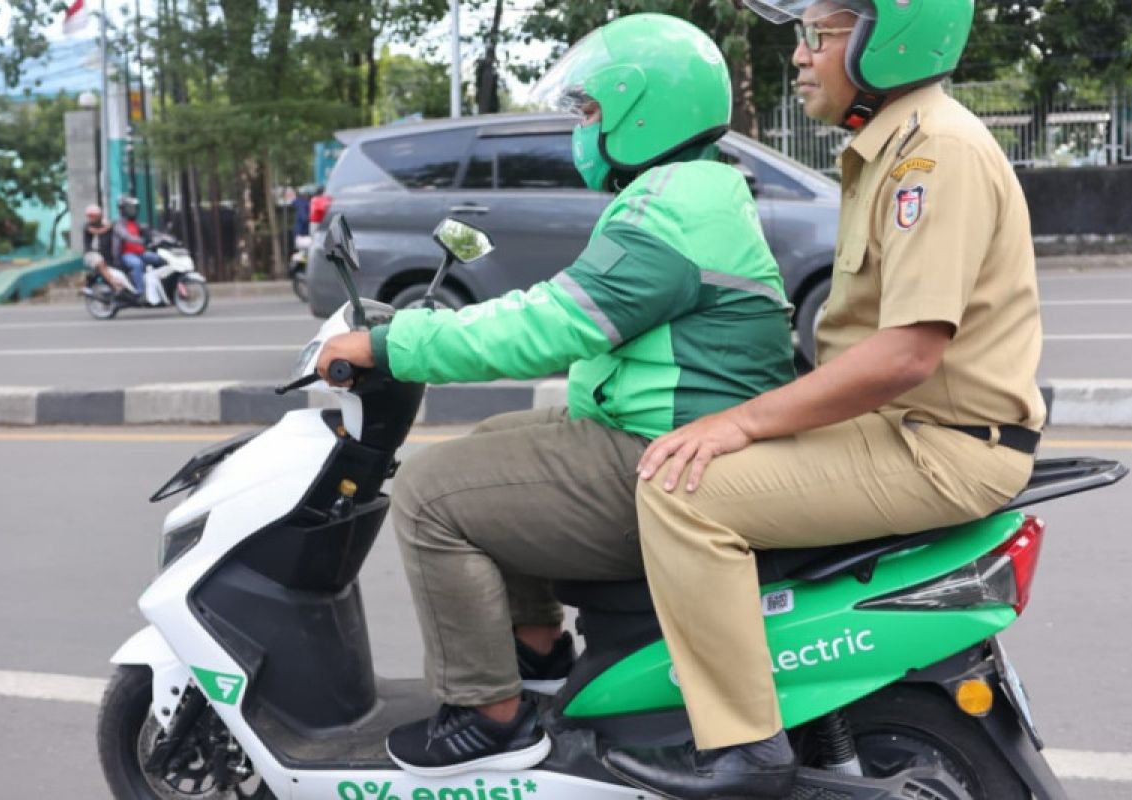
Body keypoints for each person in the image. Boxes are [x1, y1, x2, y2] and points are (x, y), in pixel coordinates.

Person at [315, 13, 797, 778]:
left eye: (589, 112)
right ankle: (535, 653)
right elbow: (565, 314)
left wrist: (392, 344)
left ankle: (488, 715)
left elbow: (551, 324)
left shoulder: (670, 208)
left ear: (643, 109)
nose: (579, 129)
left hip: (666, 458)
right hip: (669, 435)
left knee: (433, 496)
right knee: (491, 446)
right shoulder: (694, 191)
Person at [600, 2, 1047, 798]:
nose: (802, 56)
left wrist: (739, 422)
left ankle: (744, 747)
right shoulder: (890, 148)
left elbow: (907, 353)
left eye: (823, 33)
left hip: (936, 445)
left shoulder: (930, 154)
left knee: (680, 491)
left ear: (891, 37)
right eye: (801, 35)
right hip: (912, 430)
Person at [111, 195, 162, 295]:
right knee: (137, 264)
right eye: (130, 208)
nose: (133, 210)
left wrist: (163, 237)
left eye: (134, 208)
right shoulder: (119, 224)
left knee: (158, 259)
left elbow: (150, 232)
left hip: (140, 253)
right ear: (123, 209)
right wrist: (142, 241)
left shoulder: (135, 223)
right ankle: (140, 292)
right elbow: (126, 236)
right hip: (126, 255)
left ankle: (157, 287)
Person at [81, 204, 124, 292]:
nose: (91, 218)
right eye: (89, 216)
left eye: (93, 216)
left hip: (105, 252)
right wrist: (108, 227)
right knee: (100, 262)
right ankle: (114, 283)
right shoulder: (87, 226)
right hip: (91, 253)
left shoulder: (105, 223)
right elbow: (97, 231)